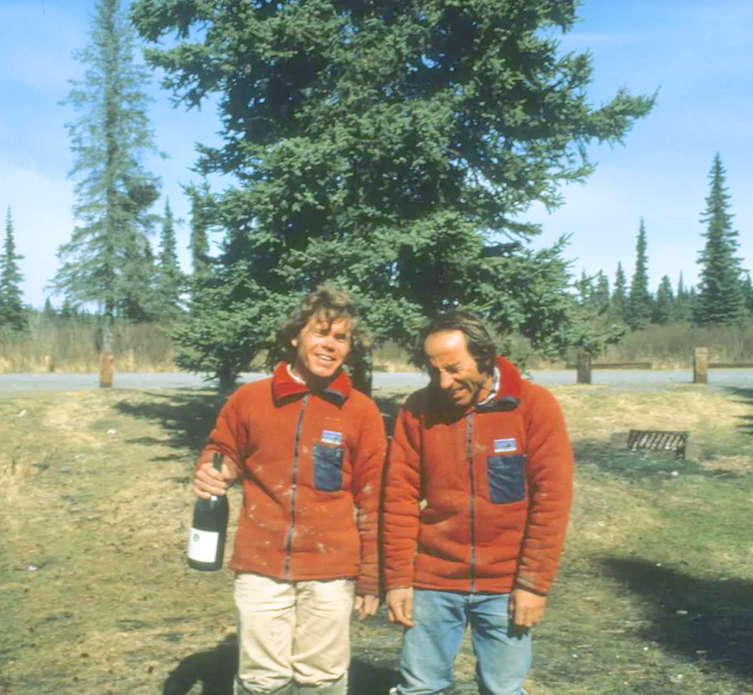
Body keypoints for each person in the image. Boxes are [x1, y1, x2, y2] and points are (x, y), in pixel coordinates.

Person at [192, 284, 388, 695]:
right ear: (296, 335)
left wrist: (371, 578)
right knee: (262, 681)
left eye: (341, 338)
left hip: (331, 571)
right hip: (261, 566)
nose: (330, 345)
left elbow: (375, 501)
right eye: (320, 332)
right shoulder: (249, 400)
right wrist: (214, 470)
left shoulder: (361, 412)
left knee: (323, 678)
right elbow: (221, 449)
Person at [382, 311, 574, 695]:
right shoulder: (418, 410)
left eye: (454, 368)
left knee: (503, 690)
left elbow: (551, 502)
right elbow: (398, 498)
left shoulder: (534, 406)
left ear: (484, 355)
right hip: (432, 583)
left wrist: (533, 585)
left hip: (506, 585)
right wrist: (399, 579)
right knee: (420, 687)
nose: (444, 382)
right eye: (434, 370)